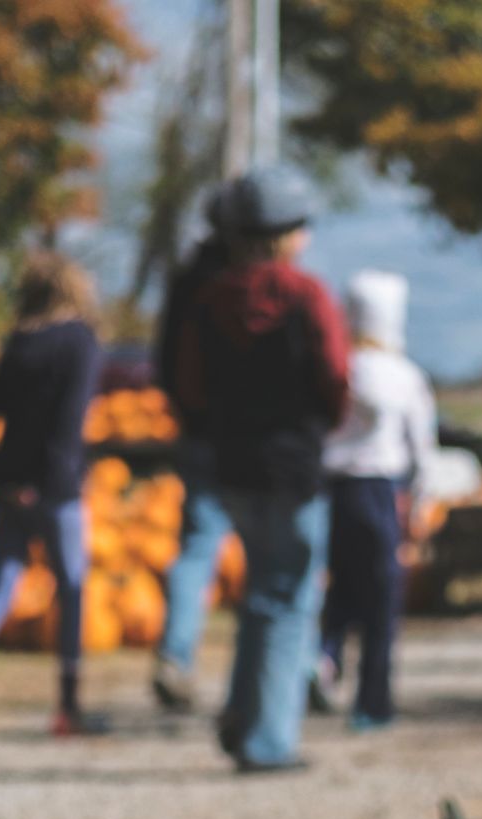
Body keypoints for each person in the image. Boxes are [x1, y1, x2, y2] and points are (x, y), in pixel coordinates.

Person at [174, 167, 349, 773]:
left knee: (260, 591)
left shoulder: (210, 298)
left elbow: (190, 383)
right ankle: (269, 740)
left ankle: (241, 714)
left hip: (234, 464)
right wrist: (322, 421)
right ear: (289, 233)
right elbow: (334, 375)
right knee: (290, 597)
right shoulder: (307, 294)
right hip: (294, 466)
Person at [0, 251, 105, 743]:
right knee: (72, 587)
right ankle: (68, 707)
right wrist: (52, 482)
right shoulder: (79, 341)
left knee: (2, 584)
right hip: (55, 490)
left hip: (8, 485)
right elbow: (69, 423)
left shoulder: (20, 342)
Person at [314, 269, 433, 730]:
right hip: (379, 490)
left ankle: (324, 658)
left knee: (338, 587)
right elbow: (421, 449)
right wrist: (418, 505)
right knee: (381, 600)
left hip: (329, 488)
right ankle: (372, 701)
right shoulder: (403, 376)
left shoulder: (336, 367)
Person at [152, 184, 238, 711]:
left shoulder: (188, 282)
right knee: (277, 557)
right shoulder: (248, 282)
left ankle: (175, 653)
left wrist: (187, 415)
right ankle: (300, 669)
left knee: (197, 547)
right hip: (253, 438)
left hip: (200, 431)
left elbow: (165, 361)